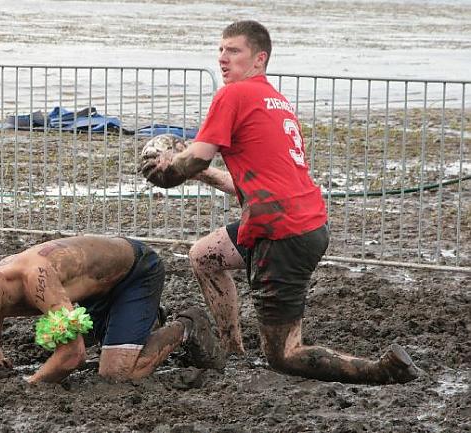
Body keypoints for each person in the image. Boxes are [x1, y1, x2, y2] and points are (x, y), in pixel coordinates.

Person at [141, 20, 420, 384]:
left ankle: (382, 370)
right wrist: (199, 174)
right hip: (295, 220)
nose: (223, 58)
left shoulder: (232, 95)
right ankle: (233, 349)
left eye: (234, 51)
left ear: (259, 59)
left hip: (283, 231)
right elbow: (249, 181)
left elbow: (197, 156)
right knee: (205, 255)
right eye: (221, 50)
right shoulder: (276, 102)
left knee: (284, 355)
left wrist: (167, 167)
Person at [0, 235, 225, 384]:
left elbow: (72, 356)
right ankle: (146, 319)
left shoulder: (35, 277)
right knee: (70, 340)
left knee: (116, 373)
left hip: (136, 271)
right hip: (96, 293)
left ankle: (188, 325)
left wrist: (28, 384)